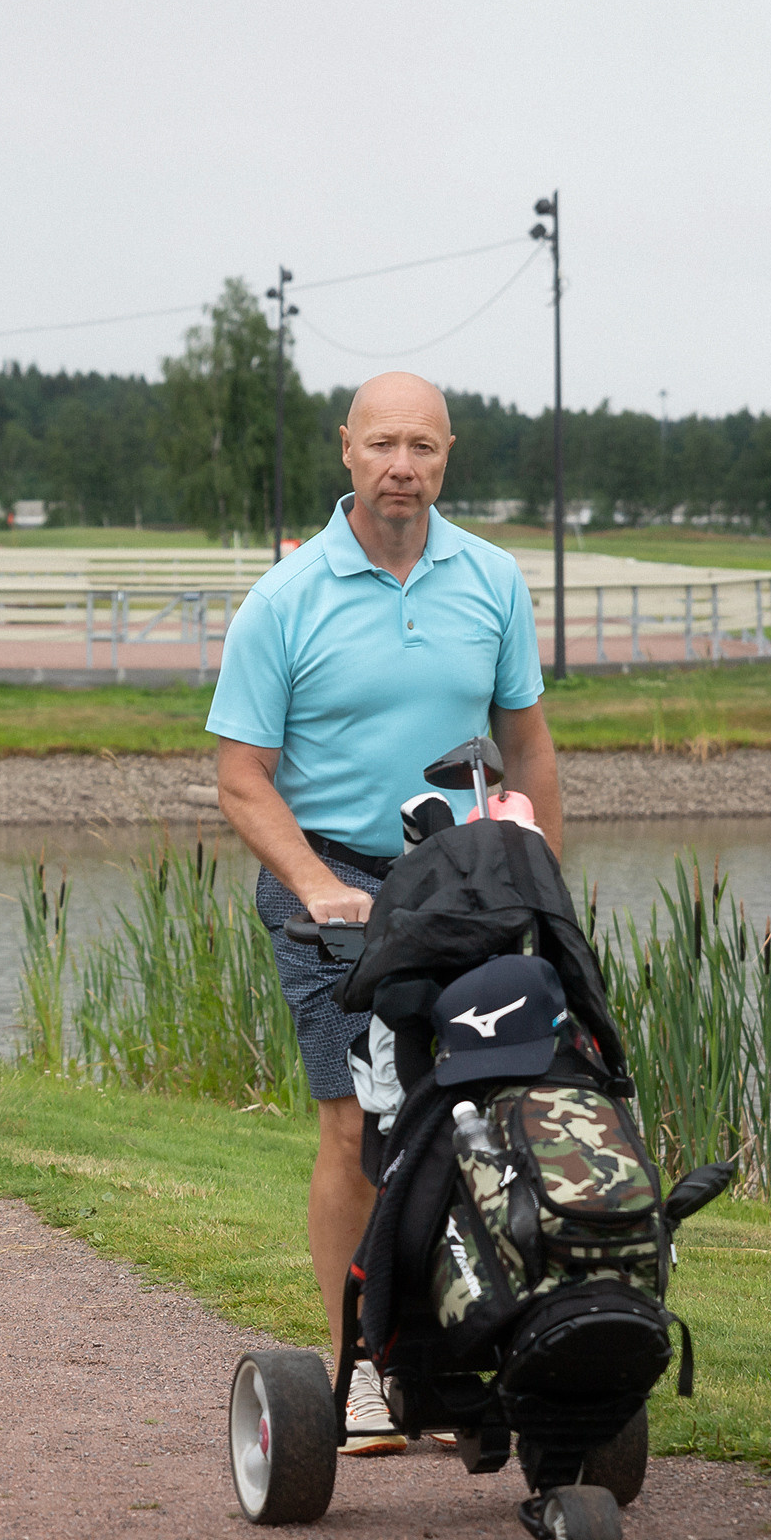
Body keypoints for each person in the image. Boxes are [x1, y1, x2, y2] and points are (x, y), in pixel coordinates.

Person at [206, 370, 564, 1454]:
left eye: (423, 446)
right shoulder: (287, 598)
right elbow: (240, 776)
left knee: (482, 1110)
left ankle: (465, 1336)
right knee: (356, 1126)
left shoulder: (492, 580)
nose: (401, 466)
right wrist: (315, 882)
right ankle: (357, 1372)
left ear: (447, 454)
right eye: (382, 446)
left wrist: (539, 871)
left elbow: (529, 744)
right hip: (330, 893)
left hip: (458, 885)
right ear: (346, 451)